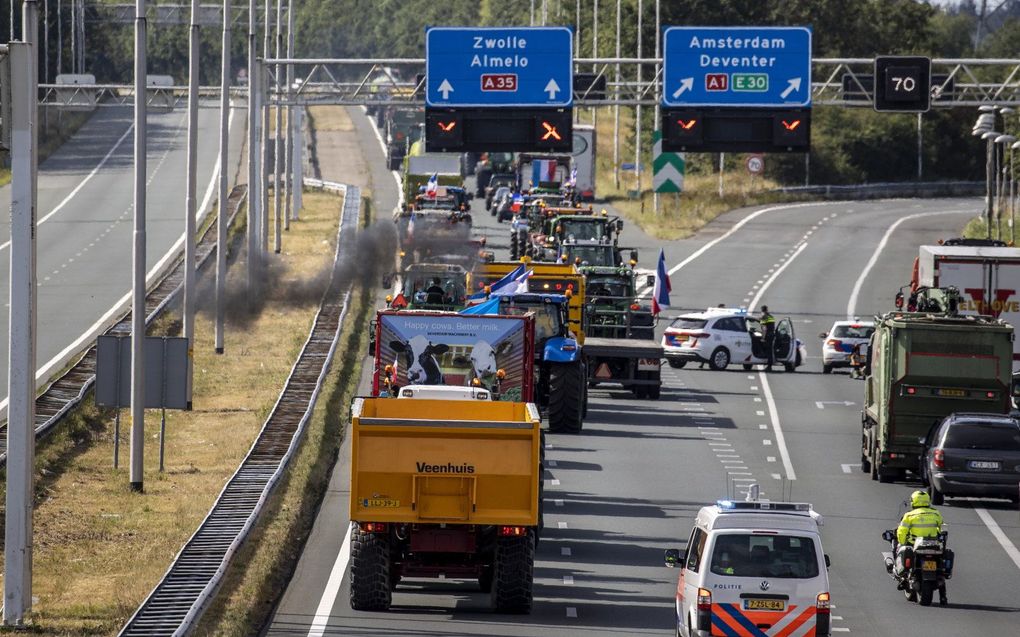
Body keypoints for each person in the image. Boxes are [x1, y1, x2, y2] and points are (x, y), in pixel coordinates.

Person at [894, 490, 947, 604]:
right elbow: (942, 529)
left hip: (915, 546)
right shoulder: (936, 513)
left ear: (913, 502)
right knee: (941, 571)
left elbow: (901, 532)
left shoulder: (909, 515)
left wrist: (902, 543)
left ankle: (904, 578)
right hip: (934, 545)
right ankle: (943, 597)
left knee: (903, 554)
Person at [760, 305, 776, 371]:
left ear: (762, 310)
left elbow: (764, 329)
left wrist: (763, 338)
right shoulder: (771, 316)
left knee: (768, 350)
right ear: (767, 309)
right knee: (770, 350)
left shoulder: (764, 317)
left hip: (767, 335)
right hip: (772, 334)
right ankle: (769, 364)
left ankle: (769, 366)